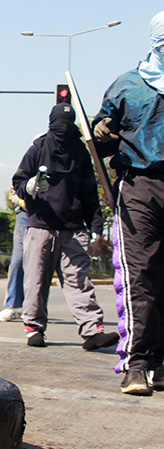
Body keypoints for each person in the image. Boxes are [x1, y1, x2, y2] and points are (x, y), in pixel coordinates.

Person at [92, 10, 164, 395]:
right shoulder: (129, 85)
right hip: (140, 186)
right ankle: (136, 363)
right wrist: (100, 129)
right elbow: (100, 136)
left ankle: (161, 361)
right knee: (141, 274)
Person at [13, 103, 118, 350]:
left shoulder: (79, 153)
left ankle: (92, 331)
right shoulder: (37, 148)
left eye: (68, 125)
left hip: (72, 229)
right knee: (36, 281)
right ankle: (34, 329)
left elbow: (90, 191)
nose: (63, 130)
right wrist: (30, 187)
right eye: (60, 124)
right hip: (40, 226)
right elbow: (18, 181)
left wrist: (95, 226)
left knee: (79, 281)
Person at [0, 186, 27, 322]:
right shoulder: (27, 166)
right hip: (25, 214)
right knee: (18, 261)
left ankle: (35, 308)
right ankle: (13, 305)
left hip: (46, 216)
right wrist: (20, 202)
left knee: (39, 265)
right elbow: (12, 193)